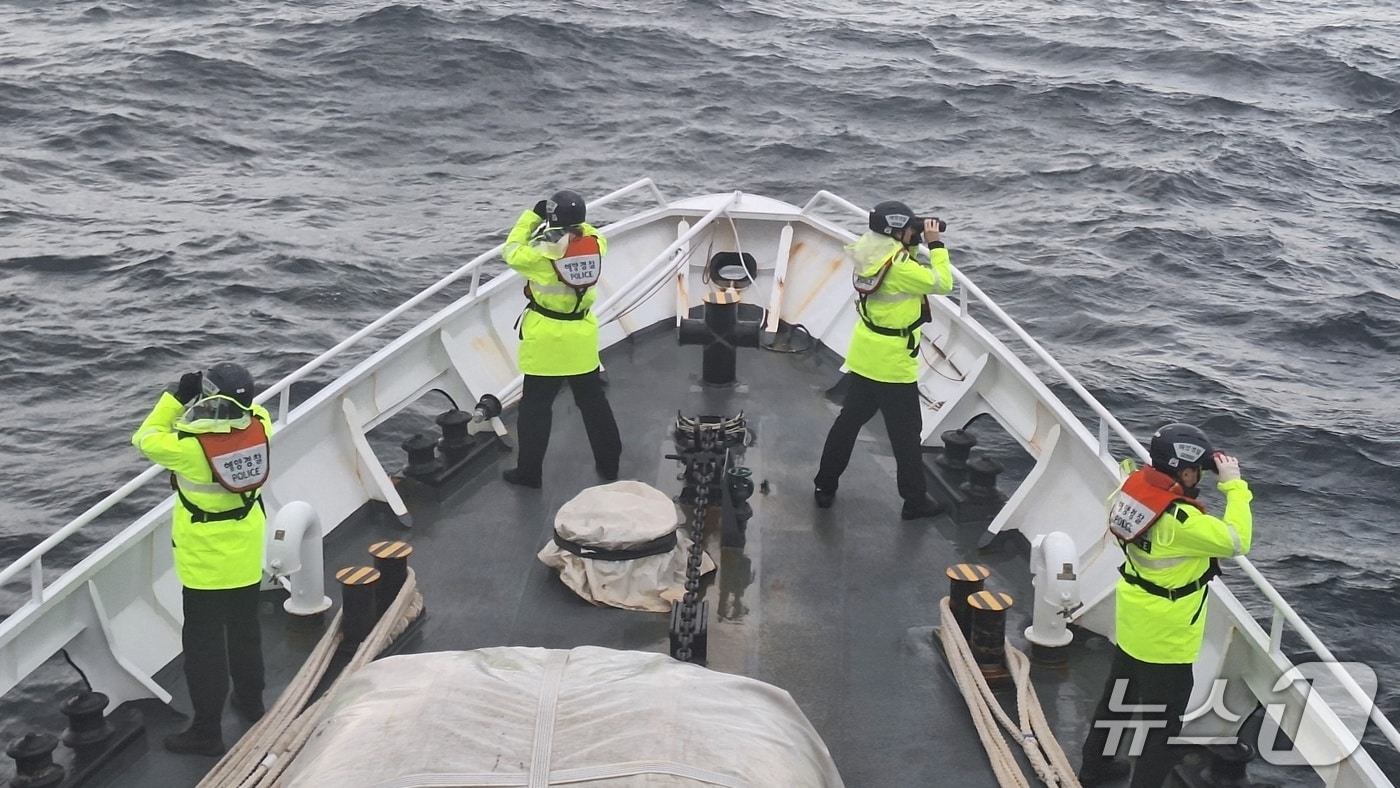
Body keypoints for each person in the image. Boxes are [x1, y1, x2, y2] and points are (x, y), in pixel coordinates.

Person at [1079, 423, 1253, 788]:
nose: (1199, 477)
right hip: (1167, 638)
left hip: (1132, 617)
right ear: (1184, 471)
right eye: (1198, 471)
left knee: (1116, 700)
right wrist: (1235, 486)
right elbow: (1237, 541)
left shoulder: (1130, 491)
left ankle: (1095, 768)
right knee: (1161, 730)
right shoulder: (1182, 522)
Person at [132, 363, 272, 756]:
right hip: (246, 549)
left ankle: (207, 732)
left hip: (204, 563)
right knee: (246, 630)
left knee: (204, 645)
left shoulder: (188, 449)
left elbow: (144, 437)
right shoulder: (261, 426)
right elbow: (253, 412)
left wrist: (176, 397)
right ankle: (251, 700)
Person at [813, 200, 952, 520]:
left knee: (847, 423)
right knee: (906, 435)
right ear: (895, 231)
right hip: (893, 364)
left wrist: (910, 240)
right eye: (909, 227)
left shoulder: (869, 249)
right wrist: (936, 245)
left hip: (865, 354)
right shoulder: (902, 267)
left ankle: (824, 485)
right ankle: (915, 501)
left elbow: (898, 263)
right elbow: (943, 282)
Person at [500, 189, 622, 488]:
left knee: (535, 408)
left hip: (547, 341)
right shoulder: (596, 244)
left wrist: (532, 217)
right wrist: (574, 219)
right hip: (581, 336)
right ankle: (610, 464)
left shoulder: (540, 255)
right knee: (593, 403)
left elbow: (511, 250)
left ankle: (529, 473)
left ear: (552, 219)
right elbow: (589, 230)